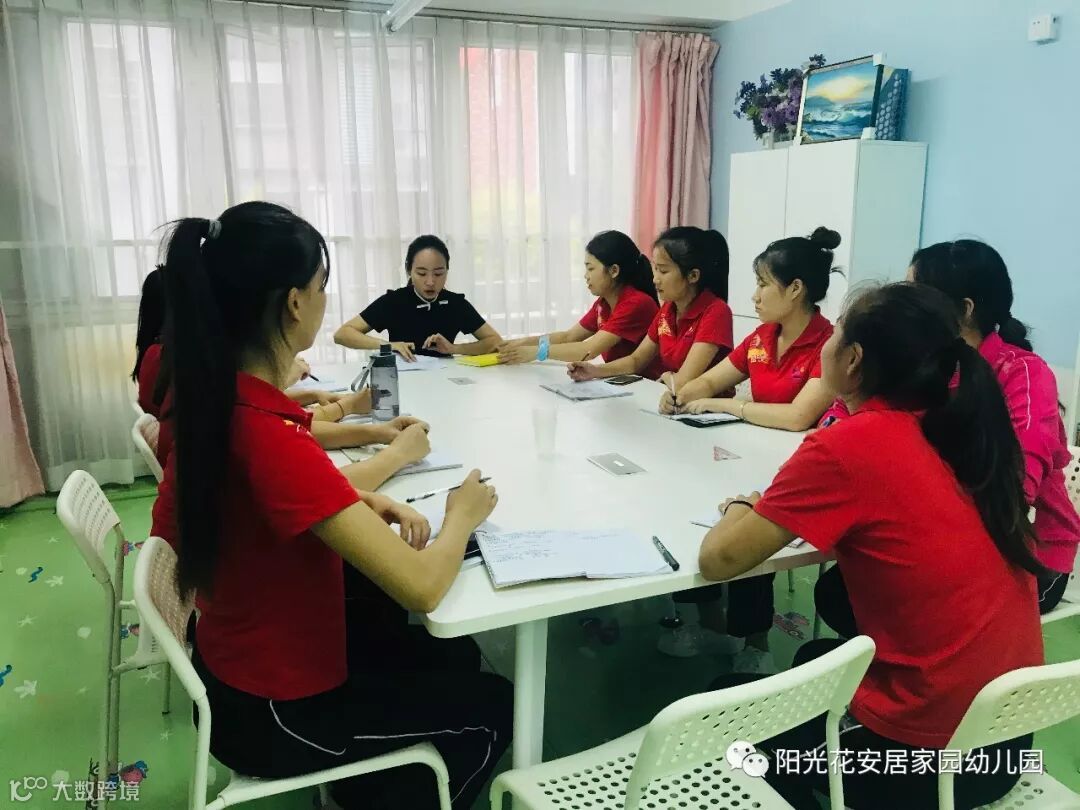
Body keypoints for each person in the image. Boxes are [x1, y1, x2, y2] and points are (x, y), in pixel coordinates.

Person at [150, 202, 511, 810]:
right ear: (294, 302)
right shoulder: (264, 436)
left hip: (239, 666)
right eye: (321, 287)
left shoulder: (225, 401)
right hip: (276, 712)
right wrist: (461, 516)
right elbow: (424, 587)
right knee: (492, 706)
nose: (324, 300)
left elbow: (262, 504)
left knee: (449, 651)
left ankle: (373, 784)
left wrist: (357, 497)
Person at [699, 282, 1044, 810]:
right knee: (814, 655)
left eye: (834, 333)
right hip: (1008, 741)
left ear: (854, 360)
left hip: (929, 762)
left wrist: (742, 507)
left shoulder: (851, 446)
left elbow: (719, 560)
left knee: (721, 722)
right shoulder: (961, 427)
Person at [656, 228, 842, 671]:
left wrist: (727, 405)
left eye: (762, 284)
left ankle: (755, 643)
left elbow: (798, 416)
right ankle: (708, 622)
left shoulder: (828, 344)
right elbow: (712, 378)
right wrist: (683, 392)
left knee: (751, 529)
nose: (754, 296)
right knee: (683, 498)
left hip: (792, 468)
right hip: (745, 452)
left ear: (795, 289)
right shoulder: (761, 338)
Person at [565, 226, 732, 393]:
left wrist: (668, 378)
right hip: (672, 398)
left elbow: (683, 381)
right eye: (655, 269)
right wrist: (594, 371)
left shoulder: (716, 311)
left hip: (704, 405)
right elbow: (636, 360)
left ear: (693, 276)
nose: (655, 279)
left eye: (663, 271)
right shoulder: (668, 309)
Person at [496, 230, 659, 372]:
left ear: (614, 270)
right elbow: (569, 336)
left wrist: (536, 352)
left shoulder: (636, 303)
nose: (586, 276)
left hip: (650, 385)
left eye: (591, 268)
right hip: (622, 380)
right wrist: (523, 342)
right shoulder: (603, 303)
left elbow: (587, 350)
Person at [334, 235, 502, 360]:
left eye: (438, 273)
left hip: (446, 380)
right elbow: (342, 334)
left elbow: (494, 341)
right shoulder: (394, 301)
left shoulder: (455, 303)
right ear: (409, 271)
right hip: (405, 379)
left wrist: (454, 348)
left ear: (447, 271)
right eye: (421, 273)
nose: (430, 282)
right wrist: (389, 346)